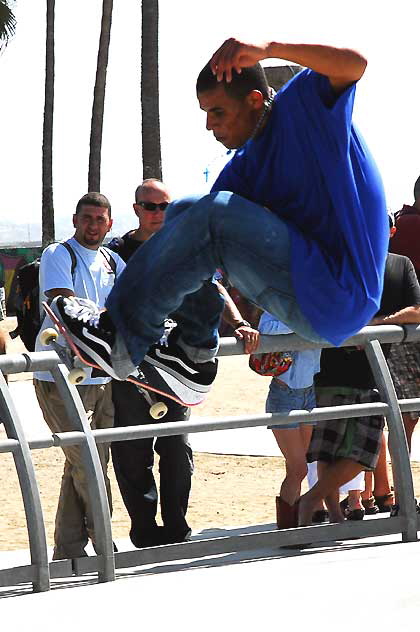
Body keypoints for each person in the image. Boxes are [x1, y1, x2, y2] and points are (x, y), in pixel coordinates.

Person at [48, 39, 388, 405]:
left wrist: (268, 48)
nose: (209, 125)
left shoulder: (303, 105)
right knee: (186, 212)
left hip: (341, 293)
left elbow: (355, 64)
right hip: (304, 293)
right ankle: (191, 353)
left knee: (213, 213)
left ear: (255, 100)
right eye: (205, 113)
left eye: (218, 112)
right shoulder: (243, 170)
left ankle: (120, 338)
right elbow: (194, 251)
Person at [108, 179, 259, 547]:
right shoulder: (116, 252)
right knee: (131, 450)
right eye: (150, 206)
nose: (158, 213)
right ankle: (144, 530)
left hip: (178, 366)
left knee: (176, 447)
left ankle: (176, 526)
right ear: (136, 208)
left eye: (165, 206)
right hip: (132, 366)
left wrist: (237, 322)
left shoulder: (185, 246)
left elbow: (214, 288)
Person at [299, 214, 420, 525]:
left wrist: (373, 327)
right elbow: (322, 303)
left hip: (368, 372)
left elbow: (417, 310)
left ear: (393, 230)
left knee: (357, 450)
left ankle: (316, 504)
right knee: (342, 450)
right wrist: (358, 330)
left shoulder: (398, 264)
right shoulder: (343, 261)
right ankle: (327, 509)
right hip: (339, 368)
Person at [33, 193, 125, 560]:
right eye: (87, 218)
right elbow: (64, 303)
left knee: (85, 463)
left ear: (110, 224)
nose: (92, 225)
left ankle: (68, 550)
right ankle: (105, 542)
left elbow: (132, 304)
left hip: (102, 378)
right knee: (87, 462)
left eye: (100, 219)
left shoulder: (113, 261)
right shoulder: (59, 254)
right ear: (75, 219)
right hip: (60, 377)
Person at [259, 311, 320, 529]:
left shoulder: (316, 305)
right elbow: (265, 327)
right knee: (298, 469)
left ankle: (293, 524)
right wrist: (303, 322)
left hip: (308, 391)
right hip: (284, 393)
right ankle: (289, 527)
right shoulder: (281, 304)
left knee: (296, 468)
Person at [387, 176, 420, 455]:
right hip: (410, 329)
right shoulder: (414, 226)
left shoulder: (400, 224)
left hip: (397, 332)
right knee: (405, 416)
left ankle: (397, 492)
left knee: (402, 419)